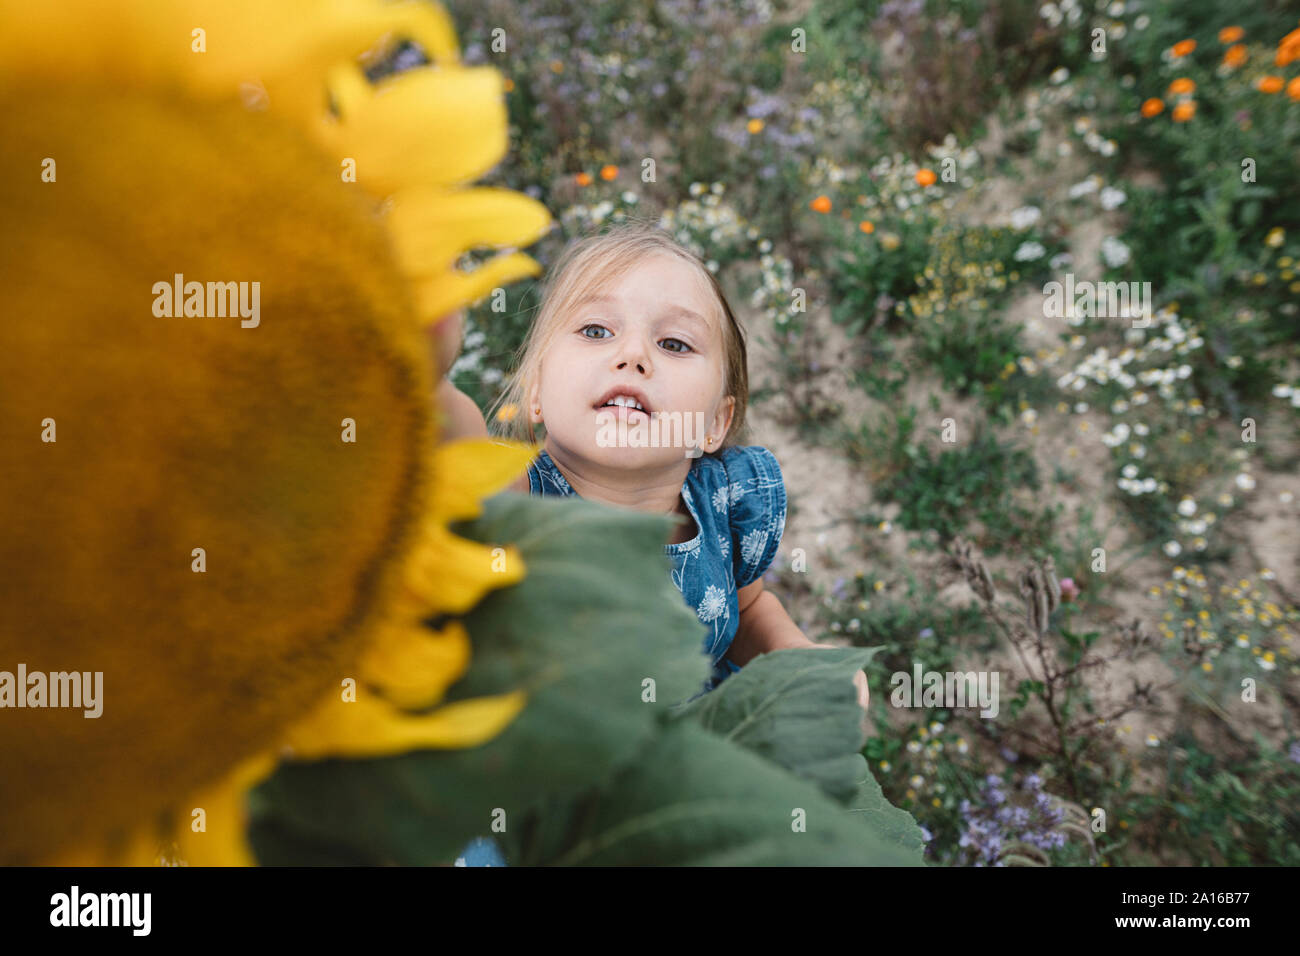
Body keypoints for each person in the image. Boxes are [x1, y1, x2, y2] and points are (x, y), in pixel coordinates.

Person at [456, 221, 870, 864]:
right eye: (596, 331)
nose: (633, 356)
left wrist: (795, 655)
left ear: (714, 423)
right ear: (534, 390)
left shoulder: (724, 502)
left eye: (674, 343)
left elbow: (749, 608)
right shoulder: (519, 502)